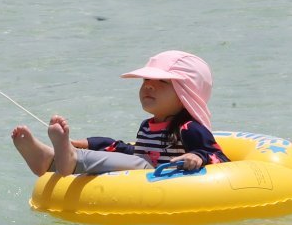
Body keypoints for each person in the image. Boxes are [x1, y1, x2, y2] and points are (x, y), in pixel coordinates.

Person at [11, 50, 229, 176]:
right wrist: (87, 143)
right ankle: (49, 160)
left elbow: (218, 156)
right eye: (146, 80)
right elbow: (130, 149)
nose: (148, 86)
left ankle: (68, 158)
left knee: (139, 165)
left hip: (161, 177)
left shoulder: (189, 129)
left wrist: (196, 155)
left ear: (186, 93)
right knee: (128, 156)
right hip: (140, 175)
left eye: (162, 81)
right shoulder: (147, 126)